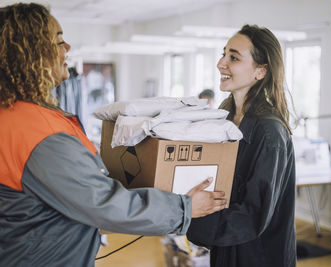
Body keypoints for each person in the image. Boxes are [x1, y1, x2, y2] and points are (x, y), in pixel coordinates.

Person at [0, 3, 226, 266]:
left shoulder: (13, 115)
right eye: (59, 41)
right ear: (32, 52)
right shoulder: (38, 132)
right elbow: (101, 203)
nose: (67, 49)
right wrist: (184, 208)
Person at [186, 24, 296, 267]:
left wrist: (186, 217)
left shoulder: (269, 132)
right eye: (223, 54)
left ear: (260, 71)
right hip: (226, 249)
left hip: (257, 256)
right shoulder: (223, 118)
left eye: (233, 57)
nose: (221, 63)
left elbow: (251, 216)